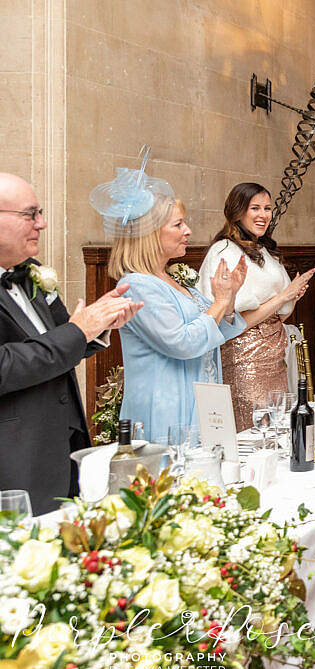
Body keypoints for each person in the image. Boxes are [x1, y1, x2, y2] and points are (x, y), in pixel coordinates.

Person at [0, 172, 141, 515]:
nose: (42, 223)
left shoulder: (31, 272)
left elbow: (62, 339)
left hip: (64, 443)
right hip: (16, 456)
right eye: (30, 214)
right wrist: (79, 330)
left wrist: (100, 323)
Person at [95, 165, 247, 444]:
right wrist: (220, 301)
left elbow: (215, 335)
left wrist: (229, 297)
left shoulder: (171, 278)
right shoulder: (137, 286)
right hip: (167, 409)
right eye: (178, 224)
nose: (188, 231)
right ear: (150, 233)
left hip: (199, 400)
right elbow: (182, 342)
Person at [198, 183, 314, 430]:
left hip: (274, 355)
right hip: (245, 358)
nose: (263, 215)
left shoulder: (263, 250)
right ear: (237, 211)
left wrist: (292, 297)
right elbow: (234, 324)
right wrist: (283, 297)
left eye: (268, 208)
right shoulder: (225, 251)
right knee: (255, 430)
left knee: (277, 426)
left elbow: (276, 317)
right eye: (255, 208)